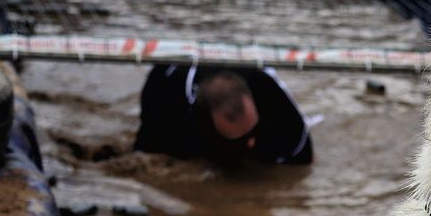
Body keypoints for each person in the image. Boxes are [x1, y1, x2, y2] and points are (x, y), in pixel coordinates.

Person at [133, 64, 313, 165]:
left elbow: (301, 158)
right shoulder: (167, 98)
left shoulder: (271, 98)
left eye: (253, 131)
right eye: (241, 139)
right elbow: (144, 155)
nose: (251, 142)